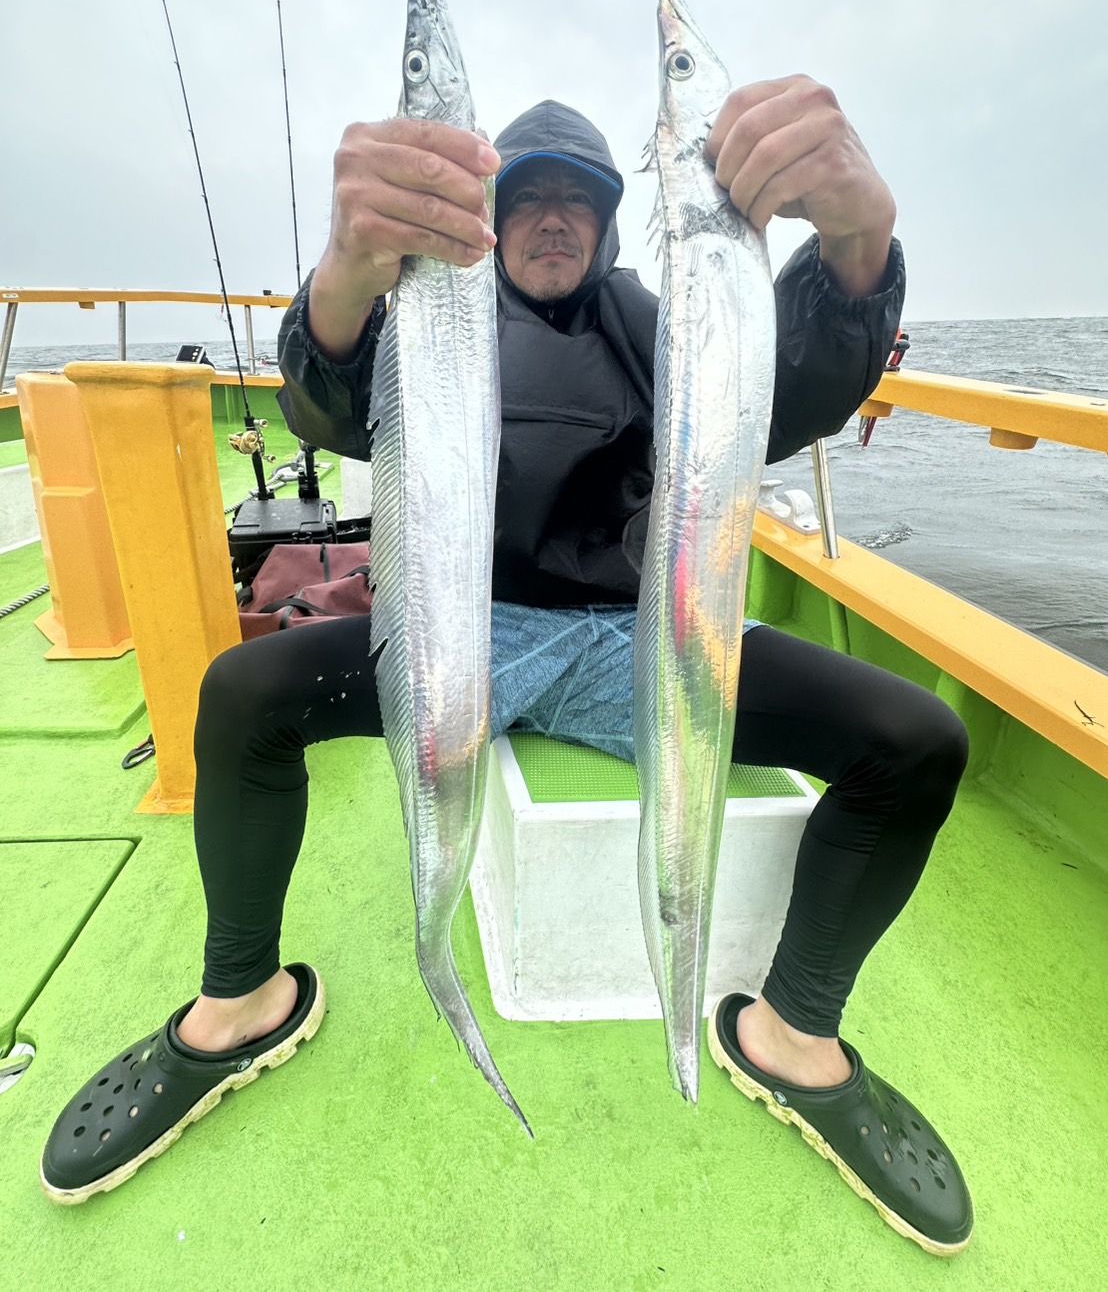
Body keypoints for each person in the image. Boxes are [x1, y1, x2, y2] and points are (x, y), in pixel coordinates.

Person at [42, 78, 972, 1256]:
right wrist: (345, 272)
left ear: (609, 224)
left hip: (641, 635)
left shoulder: (654, 320)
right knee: (242, 695)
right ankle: (240, 1000)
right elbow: (324, 406)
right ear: (483, 219)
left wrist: (856, 245)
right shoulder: (436, 317)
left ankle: (794, 1031)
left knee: (916, 740)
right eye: (524, 197)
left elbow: (785, 388)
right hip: (461, 631)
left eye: (576, 201)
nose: (549, 218)